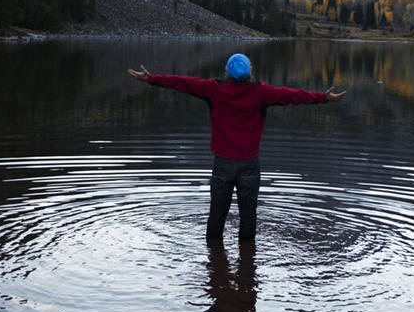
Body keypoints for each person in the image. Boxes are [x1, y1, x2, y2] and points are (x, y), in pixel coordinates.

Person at [128, 53, 346, 241]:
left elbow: (183, 83)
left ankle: (214, 262)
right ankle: (246, 264)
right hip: (249, 166)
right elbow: (292, 95)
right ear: (250, 72)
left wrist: (152, 79)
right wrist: (322, 98)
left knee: (217, 214)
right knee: (248, 215)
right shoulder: (262, 93)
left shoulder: (213, 90)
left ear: (227, 72)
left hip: (222, 165)